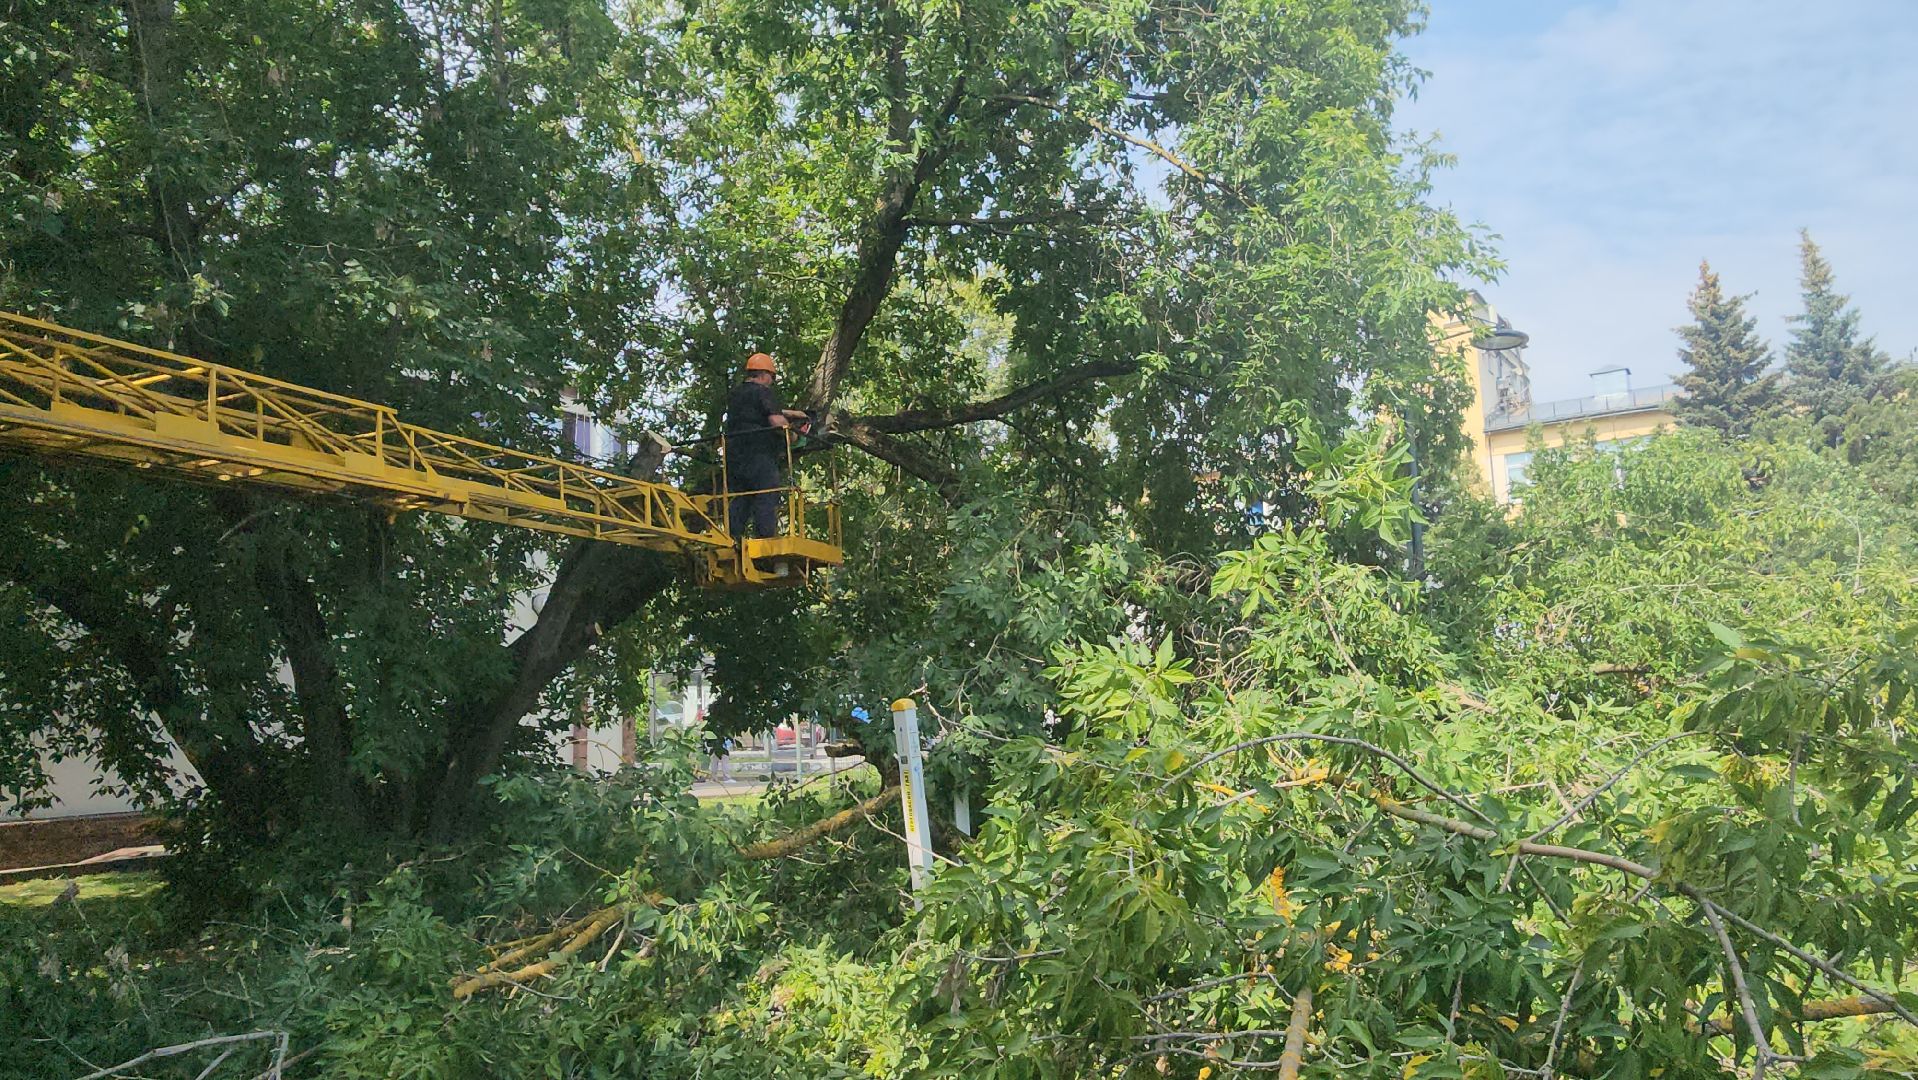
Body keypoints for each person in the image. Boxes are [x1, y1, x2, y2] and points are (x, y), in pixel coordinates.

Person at [723, 352, 809, 540]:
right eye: (771, 377)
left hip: (735, 456)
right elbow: (777, 421)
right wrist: (794, 435)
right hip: (759, 453)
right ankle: (765, 539)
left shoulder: (736, 394)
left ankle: (732, 537)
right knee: (766, 494)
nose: (771, 381)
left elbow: (755, 409)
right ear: (763, 375)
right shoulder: (763, 392)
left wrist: (791, 412)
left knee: (742, 496)